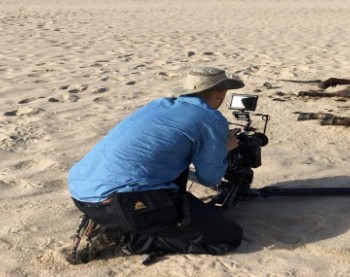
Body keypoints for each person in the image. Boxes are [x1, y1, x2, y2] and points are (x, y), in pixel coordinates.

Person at [67, 66, 245, 261]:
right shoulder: (210, 118)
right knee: (228, 237)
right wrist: (223, 147)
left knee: (171, 156)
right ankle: (124, 237)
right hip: (122, 205)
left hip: (82, 192)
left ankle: (108, 222)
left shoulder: (159, 104)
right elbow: (209, 177)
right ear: (221, 93)